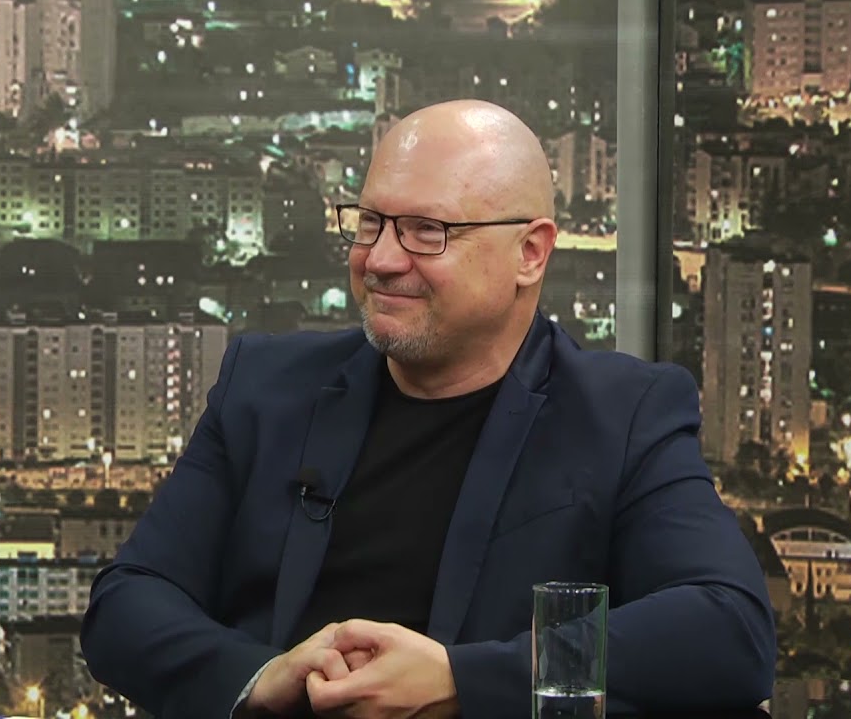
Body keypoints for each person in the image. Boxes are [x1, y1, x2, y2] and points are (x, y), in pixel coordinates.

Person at [81, 99, 776, 718]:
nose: (380, 259)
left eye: (425, 230)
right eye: (370, 223)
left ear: (530, 252)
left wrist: (461, 681)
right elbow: (125, 605)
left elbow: (729, 630)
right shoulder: (262, 387)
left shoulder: (625, 416)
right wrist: (264, 677)